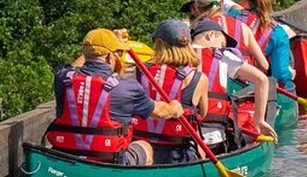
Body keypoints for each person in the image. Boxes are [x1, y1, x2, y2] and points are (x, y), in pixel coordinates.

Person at [45, 28, 184, 165]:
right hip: (111, 161)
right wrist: (173, 108)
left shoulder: (62, 78)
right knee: (145, 147)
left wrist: (93, 49)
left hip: (66, 156)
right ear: (109, 57)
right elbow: (159, 112)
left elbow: (73, 67)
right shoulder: (127, 88)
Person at [131, 19, 209, 164]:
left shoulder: (140, 72)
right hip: (177, 153)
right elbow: (203, 114)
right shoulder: (199, 79)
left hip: (142, 148)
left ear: (159, 44)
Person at [191, 19, 277, 150]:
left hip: (183, 136)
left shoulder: (177, 56)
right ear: (210, 35)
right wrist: (259, 120)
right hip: (213, 137)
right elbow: (262, 79)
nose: (222, 47)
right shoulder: (222, 56)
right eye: (222, 43)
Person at [181, 0, 269, 72]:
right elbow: (264, 65)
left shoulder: (200, 29)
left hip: (213, 82)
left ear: (198, 6)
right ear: (222, 2)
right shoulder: (243, 27)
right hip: (243, 83)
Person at [230, 0, 296, 91]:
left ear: (247, 0)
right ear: (270, 1)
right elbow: (279, 73)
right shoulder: (278, 34)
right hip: (250, 86)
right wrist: (289, 74)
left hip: (226, 79)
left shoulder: (231, 17)